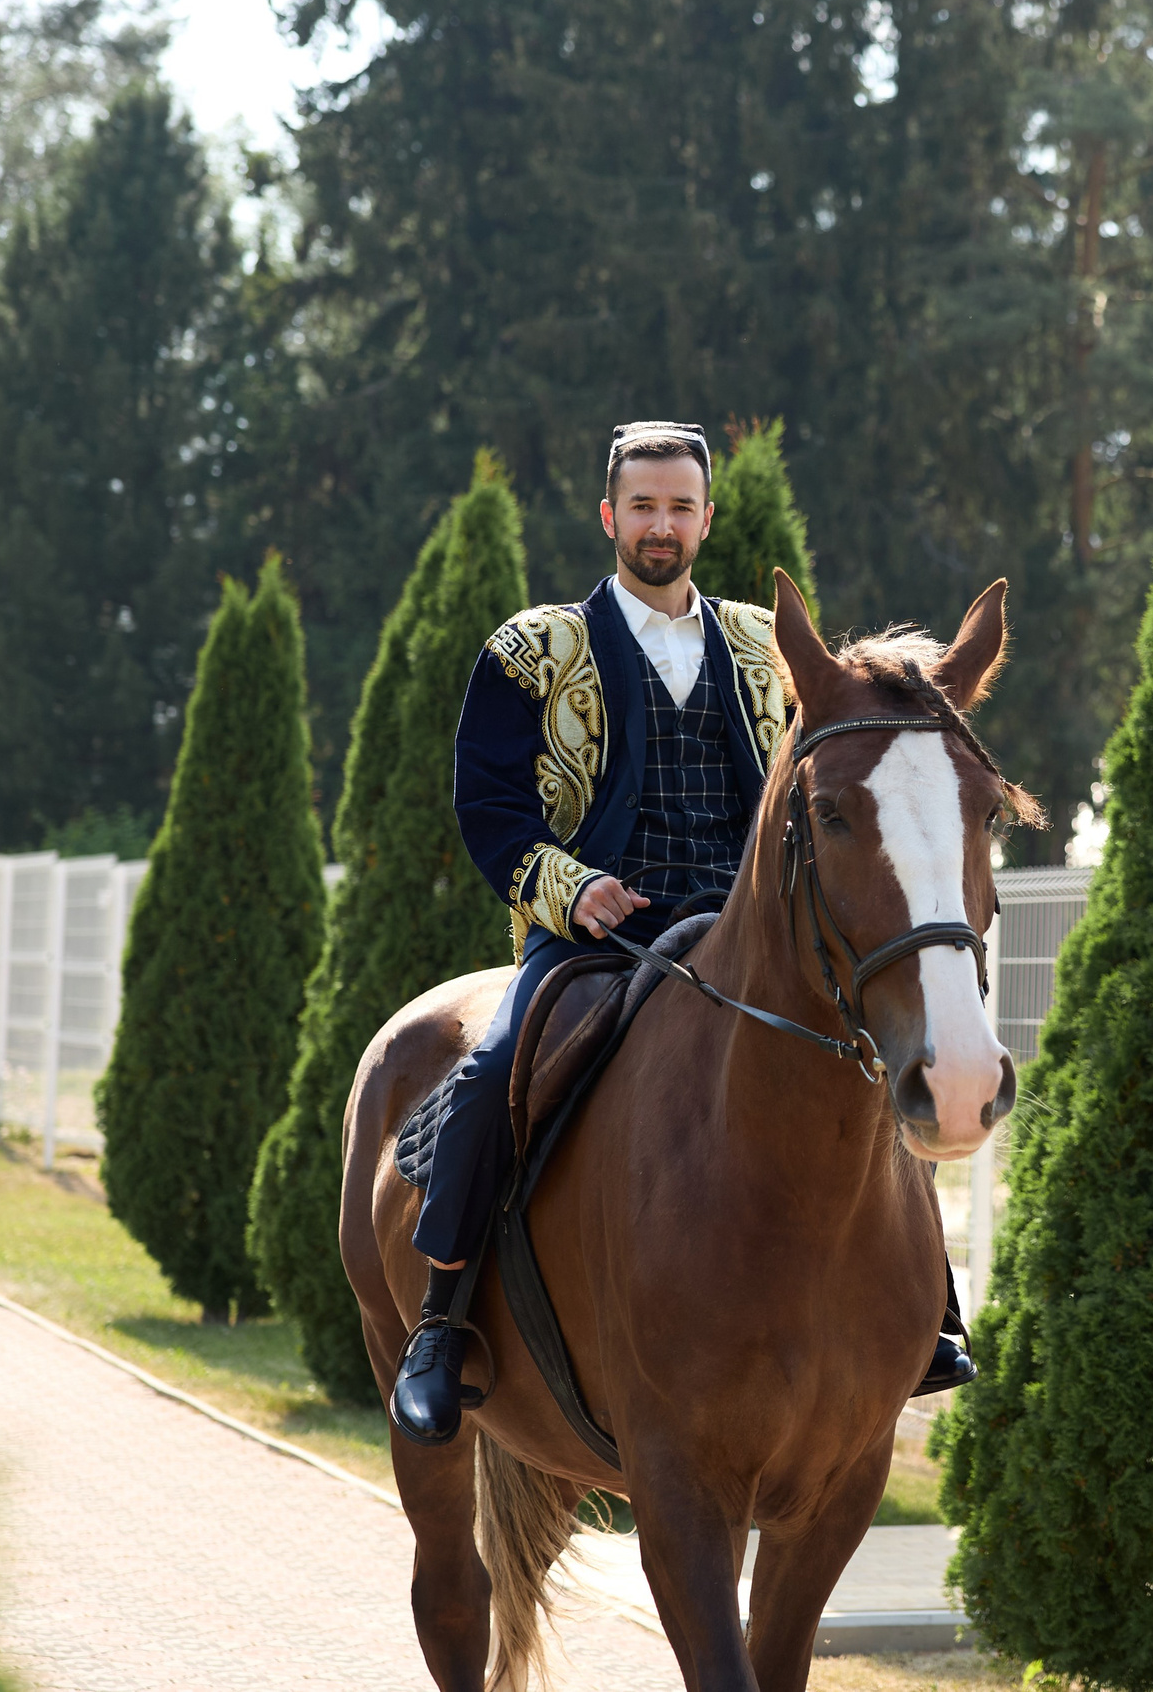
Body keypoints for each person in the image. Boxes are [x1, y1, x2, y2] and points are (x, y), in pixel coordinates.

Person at [386, 421, 973, 1448]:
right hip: (597, 934)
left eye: (681, 507)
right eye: (644, 506)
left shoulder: (765, 642)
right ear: (612, 517)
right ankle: (441, 1328)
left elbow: (825, 779)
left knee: (879, 1060)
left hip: (747, 922)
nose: (662, 525)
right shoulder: (533, 650)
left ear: (705, 519)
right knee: (486, 1075)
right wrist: (570, 891)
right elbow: (487, 809)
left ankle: (928, 1314)